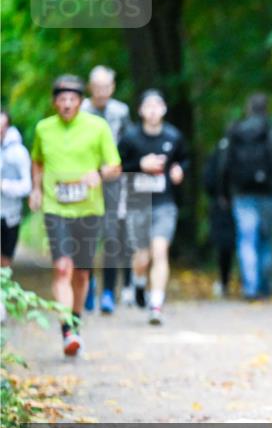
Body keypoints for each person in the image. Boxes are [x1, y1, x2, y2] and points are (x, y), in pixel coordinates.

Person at [29, 75, 121, 356]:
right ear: (54, 102)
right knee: (62, 268)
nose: (67, 104)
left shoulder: (98, 127)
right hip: (56, 208)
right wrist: (36, 189)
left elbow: (115, 165)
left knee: (81, 274)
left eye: (72, 99)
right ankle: (67, 330)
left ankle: (76, 323)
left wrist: (99, 173)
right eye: (62, 99)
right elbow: (37, 160)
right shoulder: (44, 128)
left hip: (89, 209)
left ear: (81, 102)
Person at [118, 89, 188, 325]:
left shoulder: (173, 136)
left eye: (157, 105)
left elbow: (184, 159)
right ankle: (139, 284)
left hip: (163, 203)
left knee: (160, 251)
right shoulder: (130, 138)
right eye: (148, 106)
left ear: (164, 109)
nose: (153, 111)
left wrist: (179, 169)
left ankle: (156, 304)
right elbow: (116, 167)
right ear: (140, 110)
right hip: (137, 202)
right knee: (141, 257)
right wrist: (140, 164)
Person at [222, 93, 272, 300]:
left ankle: (250, 288)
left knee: (246, 239)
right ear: (267, 109)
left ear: (248, 108)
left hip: (242, 194)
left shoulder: (236, 132)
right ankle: (264, 287)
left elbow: (224, 165)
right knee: (266, 239)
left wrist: (224, 192)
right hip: (270, 196)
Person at [81, 65, 132, 314]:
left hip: (114, 180)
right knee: (87, 234)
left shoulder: (121, 111)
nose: (101, 91)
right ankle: (88, 285)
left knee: (112, 235)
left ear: (112, 88)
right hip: (85, 179)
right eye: (97, 87)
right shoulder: (80, 110)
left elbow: (130, 143)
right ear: (90, 87)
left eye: (106, 87)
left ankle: (109, 291)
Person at [203, 137, 236, 297]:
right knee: (253, 241)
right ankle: (255, 286)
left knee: (225, 245)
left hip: (222, 203)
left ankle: (224, 282)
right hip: (252, 198)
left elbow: (208, 179)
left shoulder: (222, 148)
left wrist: (218, 196)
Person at [1, 110, 32, 269]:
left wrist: (4, 185)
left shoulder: (19, 152)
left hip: (10, 215)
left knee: (5, 262)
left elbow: (27, 186)